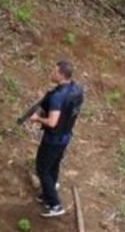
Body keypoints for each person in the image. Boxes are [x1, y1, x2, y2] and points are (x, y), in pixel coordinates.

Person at [29, 60, 84, 218]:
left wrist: (37, 119)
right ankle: (49, 191)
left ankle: (55, 205)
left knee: (42, 169)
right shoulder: (77, 89)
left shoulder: (57, 97)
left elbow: (52, 122)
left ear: (61, 75)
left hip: (53, 139)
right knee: (53, 164)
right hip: (66, 136)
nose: (51, 73)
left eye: (54, 71)